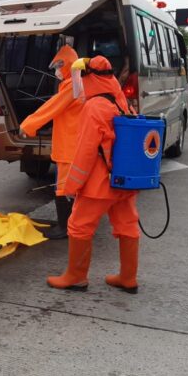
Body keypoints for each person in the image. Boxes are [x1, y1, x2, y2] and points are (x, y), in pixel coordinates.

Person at [46, 56, 141, 294]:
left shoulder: (94, 106)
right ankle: (128, 278)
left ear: (89, 77)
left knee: (78, 226)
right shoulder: (120, 100)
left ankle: (76, 277)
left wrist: (71, 185)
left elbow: (86, 151)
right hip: (124, 180)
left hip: (99, 183)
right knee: (127, 225)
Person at [19, 45, 83, 239]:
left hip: (70, 146)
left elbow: (51, 108)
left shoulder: (73, 86)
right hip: (73, 143)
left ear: (67, 66)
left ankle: (65, 227)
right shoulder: (76, 84)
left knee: (64, 187)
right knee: (71, 186)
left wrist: (28, 125)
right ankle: (72, 224)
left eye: (58, 67)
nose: (56, 72)